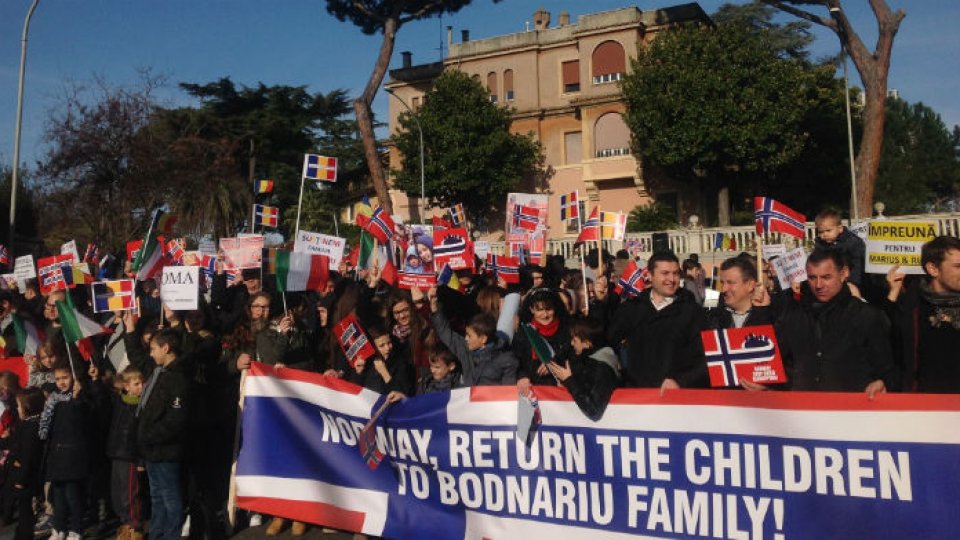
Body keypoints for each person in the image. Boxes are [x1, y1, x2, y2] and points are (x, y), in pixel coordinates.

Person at [775, 249, 894, 397]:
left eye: (826, 277)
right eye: (812, 277)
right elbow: (776, 361)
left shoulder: (867, 316)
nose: (818, 285)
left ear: (844, 274)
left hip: (849, 406)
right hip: (802, 405)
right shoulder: (793, 315)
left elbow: (888, 368)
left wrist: (883, 382)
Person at [609, 251, 708, 391]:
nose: (671, 279)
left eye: (675, 273)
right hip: (638, 395)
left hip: (676, 396)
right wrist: (601, 304)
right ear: (650, 275)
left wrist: (681, 381)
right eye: (665, 273)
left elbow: (706, 359)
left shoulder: (693, 312)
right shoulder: (632, 309)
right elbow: (608, 340)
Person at [885, 235, 960, 392]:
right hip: (922, 399)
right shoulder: (912, 305)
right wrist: (893, 294)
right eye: (958, 266)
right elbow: (887, 343)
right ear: (933, 269)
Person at [135, 328, 190, 540]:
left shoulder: (177, 377)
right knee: (157, 496)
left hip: (166, 449)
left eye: (153, 349)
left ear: (166, 348)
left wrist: (150, 435)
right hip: (152, 449)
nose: (151, 354)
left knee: (170, 497)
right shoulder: (159, 373)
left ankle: (170, 535)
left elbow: (176, 419)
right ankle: (156, 534)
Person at [91, 364, 145, 540]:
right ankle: (125, 523)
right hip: (116, 453)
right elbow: (102, 399)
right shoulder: (119, 401)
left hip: (130, 456)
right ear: (126, 386)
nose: (140, 387)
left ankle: (135, 526)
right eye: (136, 384)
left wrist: (141, 460)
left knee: (129, 494)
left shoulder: (143, 405)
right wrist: (96, 380)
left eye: (141, 383)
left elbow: (143, 436)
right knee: (117, 493)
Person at [425, 287, 518, 387]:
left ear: (483, 339)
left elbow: (508, 391)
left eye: (469, 336)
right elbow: (445, 333)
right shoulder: (465, 350)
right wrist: (435, 308)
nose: (466, 338)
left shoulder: (505, 358)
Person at [40, 363, 91, 540]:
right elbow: (48, 427)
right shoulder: (53, 400)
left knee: (72, 496)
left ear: (73, 378)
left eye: (65, 378)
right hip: (57, 455)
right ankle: (59, 527)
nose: (61, 382)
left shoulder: (80, 398)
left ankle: (76, 529)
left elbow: (80, 421)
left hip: (73, 456)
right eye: (58, 379)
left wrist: (76, 397)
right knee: (57, 496)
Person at [546, 318, 620, 421]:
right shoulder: (587, 360)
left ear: (587, 343)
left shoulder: (602, 368)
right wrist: (567, 385)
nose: (572, 343)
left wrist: (569, 381)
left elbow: (594, 412)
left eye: (575, 340)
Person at [513, 289, 571, 394]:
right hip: (531, 388)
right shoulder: (524, 332)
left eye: (549, 309)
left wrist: (554, 363)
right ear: (531, 310)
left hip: (559, 389)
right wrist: (522, 376)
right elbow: (516, 359)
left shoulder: (566, 331)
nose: (545, 315)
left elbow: (572, 357)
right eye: (539, 310)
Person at [8, 389, 45, 540]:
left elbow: (28, 457)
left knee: (25, 509)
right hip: (23, 473)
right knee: (24, 507)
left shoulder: (31, 427)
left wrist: (21, 479)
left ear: (27, 407)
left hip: (26, 476)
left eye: (19, 405)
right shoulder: (28, 424)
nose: (17, 409)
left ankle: (24, 535)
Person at [705, 257, 775, 330]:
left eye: (731, 283)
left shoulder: (772, 317)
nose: (723, 289)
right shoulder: (712, 319)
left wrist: (761, 312)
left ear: (750, 285)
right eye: (722, 283)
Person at [814, 209, 866, 286]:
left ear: (840, 229)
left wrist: (853, 282)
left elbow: (857, 264)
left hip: (851, 279)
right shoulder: (820, 244)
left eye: (828, 230)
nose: (824, 234)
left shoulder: (852, 242)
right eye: (821, 232)